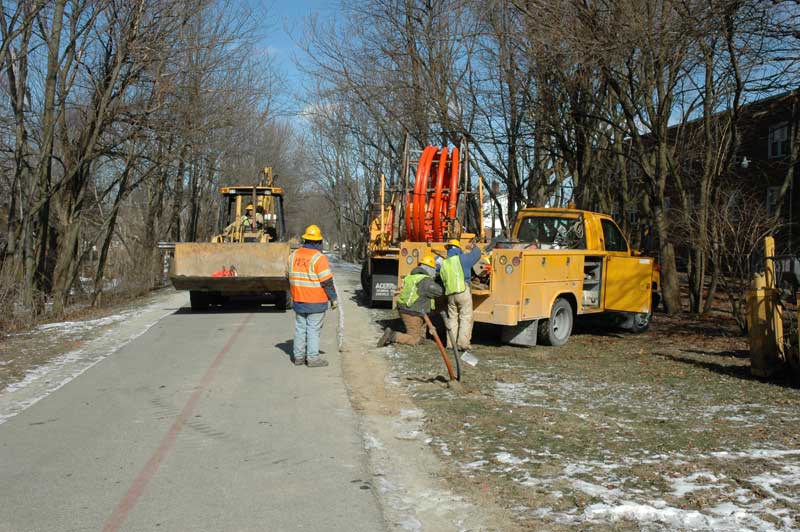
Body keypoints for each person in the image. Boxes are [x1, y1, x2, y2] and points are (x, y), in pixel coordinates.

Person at [287, 224, 338, 367]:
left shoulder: (293, 256)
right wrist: (333, 299)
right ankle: (313, 359)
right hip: (316, 301)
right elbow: (327, 282)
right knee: (313, 330)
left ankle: (298, 357)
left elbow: (287, 277)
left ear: (305, 240)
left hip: (298, 299)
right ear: (317, 242)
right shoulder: (319, 258)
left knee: (300, 328)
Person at [377, 255, 442, 347]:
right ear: (430, 269)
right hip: (412, 312)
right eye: (434, 270)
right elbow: (438, 291)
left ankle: (421, 339)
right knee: (414, 339)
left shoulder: (412, 277)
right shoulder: (425, 280)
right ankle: (393, 336)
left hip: (408, 308)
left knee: (421, 332)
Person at [438, 238, 482, 351]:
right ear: (458, 249)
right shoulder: (462, 259)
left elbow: (442, 279)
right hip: (462, 291)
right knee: (466, 317)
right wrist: (474, 246)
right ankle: (463, 344)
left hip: (450, 295)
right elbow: (476, 255)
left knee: (452, 318)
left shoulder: (444, 264)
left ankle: (450, 344)